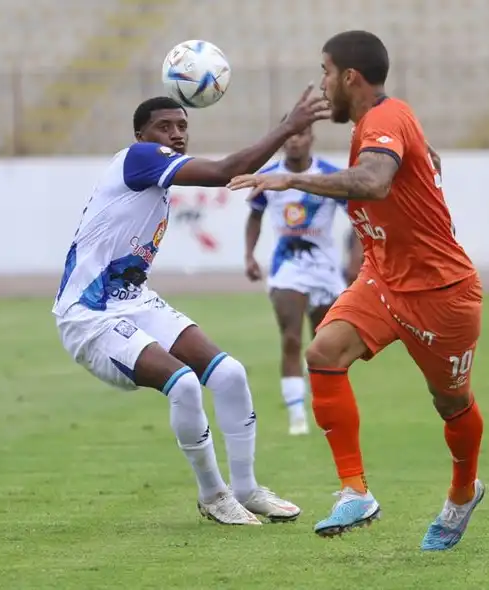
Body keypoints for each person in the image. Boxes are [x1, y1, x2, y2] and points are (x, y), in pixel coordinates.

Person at [228, 30, 485, 552]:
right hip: (383, 278)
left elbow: (372, 182)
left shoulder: (385, 117)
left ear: (350, 77)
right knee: (322, 353)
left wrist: (290, 181)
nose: (322, 84)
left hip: (442, 292)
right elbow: (399, 161)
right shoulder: (383, 120)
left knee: (450, 402)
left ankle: (462, 493)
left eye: (325, 71)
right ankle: (355, 490)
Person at [52, 89, 329, 524]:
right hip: (89, 314)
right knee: (182, 385)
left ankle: (246, 489)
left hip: (133, 300)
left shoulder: (154, 169)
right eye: (165, 126)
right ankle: (213, 495)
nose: (177, 134)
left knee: (230, 374)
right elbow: (225, 171)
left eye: (182, 126)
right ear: (140, 133)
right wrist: (288, 127)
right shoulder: (139, 157)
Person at [243, 122, 345, 436]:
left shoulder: (330, 175)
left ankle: (325, 408)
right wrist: (249, 255)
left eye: (301, 134)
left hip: (326, 270)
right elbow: (255, 216)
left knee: (324, 345)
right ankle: (297, 417)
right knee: (290, 339)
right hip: (287, 268)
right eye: (290, 135)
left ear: (312, 138)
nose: (295, 141)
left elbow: (358, 213)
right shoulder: (269, 177)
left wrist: (363, 255)